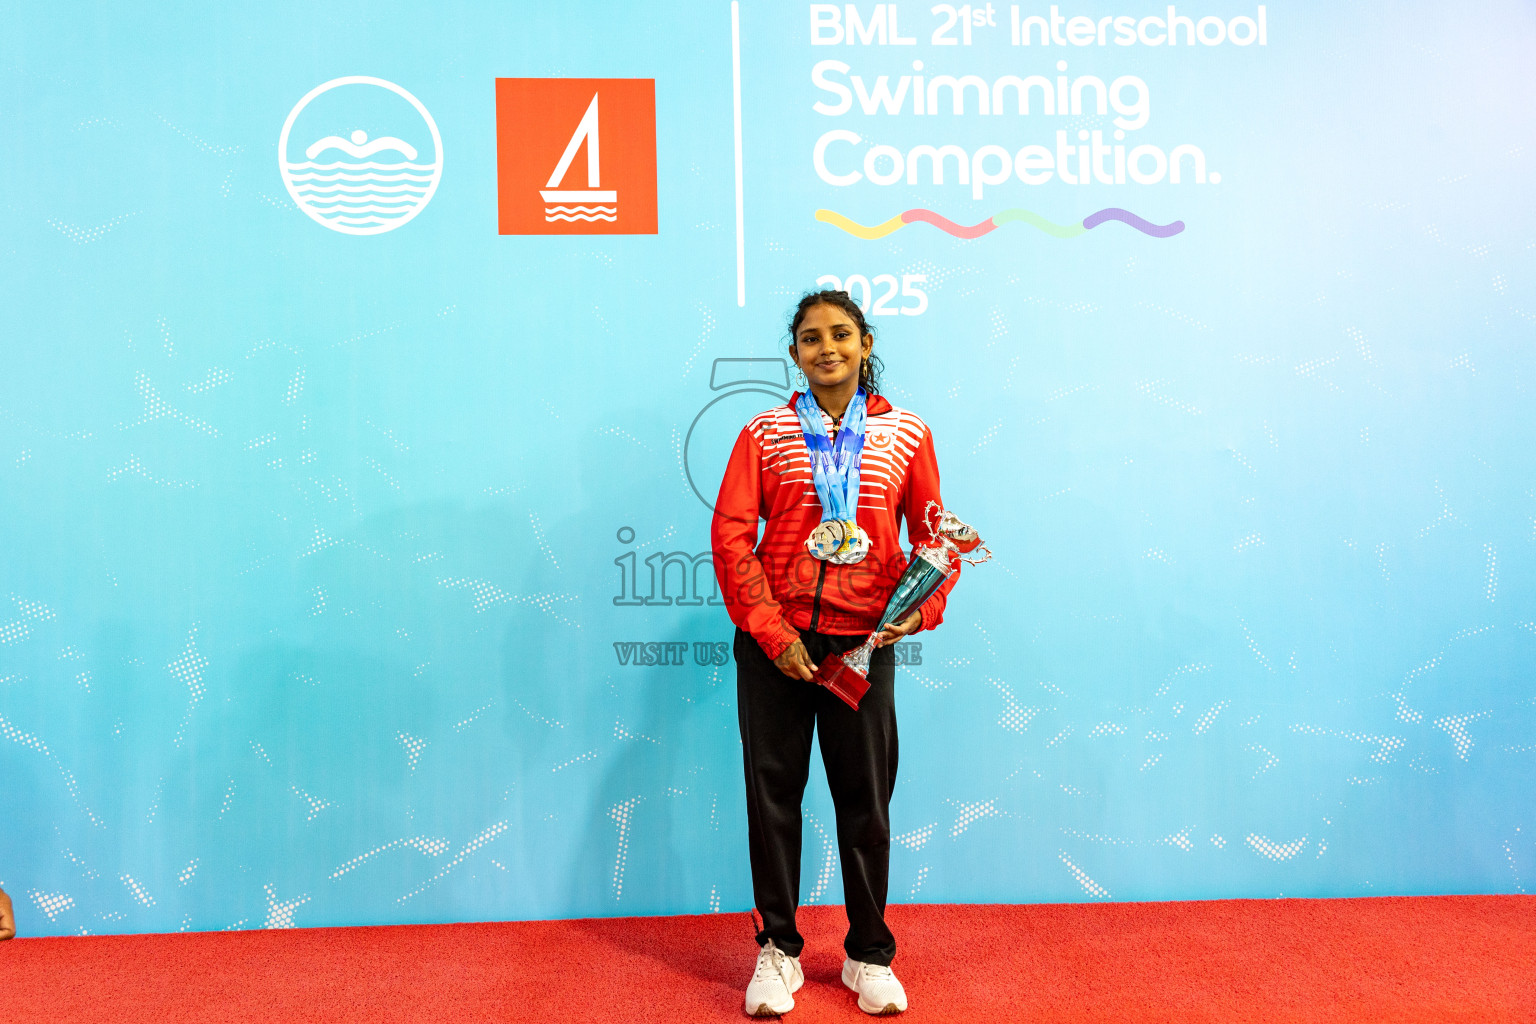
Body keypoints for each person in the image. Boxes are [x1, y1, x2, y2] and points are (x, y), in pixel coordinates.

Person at [711, 290, 960, 1016]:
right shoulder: (764, 433)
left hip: (862, 643)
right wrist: (772, 632)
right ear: (794, 352)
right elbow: (733, 537)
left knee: (865, 802)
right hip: (776, 646)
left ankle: (868, 955)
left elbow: (934, 539)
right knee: (773, 799)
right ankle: (778, 952)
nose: (828, 348)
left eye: (841, 335)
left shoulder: (907, 435)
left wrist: (916, 614)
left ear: (864, 342)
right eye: (811, 338)